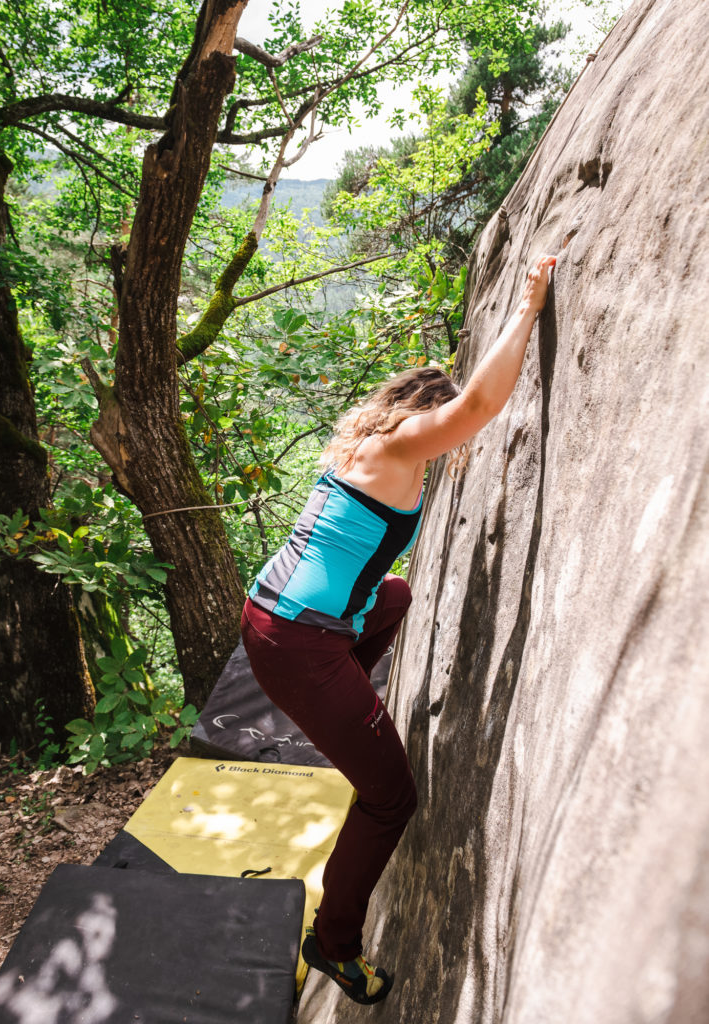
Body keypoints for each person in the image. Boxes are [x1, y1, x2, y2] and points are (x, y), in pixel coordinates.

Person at [240, 253, 557, 1004]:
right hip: (299, 645)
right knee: (390, 798)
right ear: (421, 412)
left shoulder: (363, 442)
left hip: (276, 618)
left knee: (393, 596)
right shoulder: (401, 444)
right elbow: (478, 407)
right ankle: (334, 941)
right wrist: (527, 307)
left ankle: (344, 700)